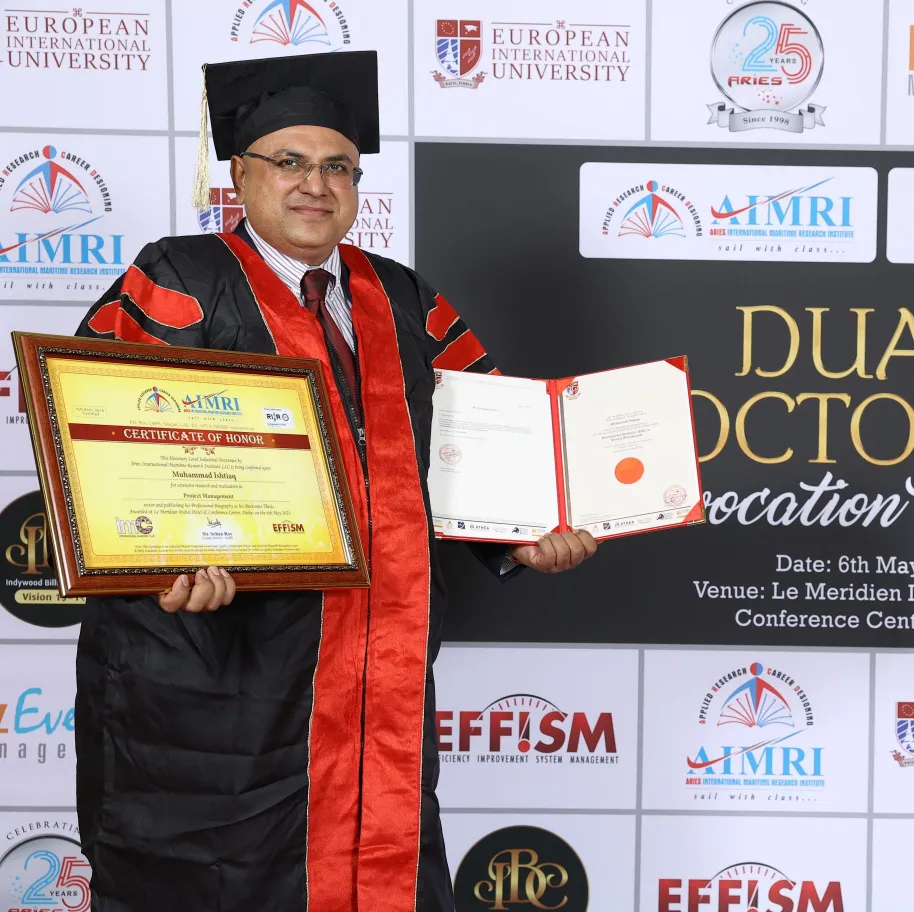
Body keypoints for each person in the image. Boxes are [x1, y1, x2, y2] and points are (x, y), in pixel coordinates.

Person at [72, 50, 597, 911]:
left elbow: (483, 444)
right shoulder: (179, 280)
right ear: (240, 175)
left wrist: (525, 534)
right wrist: (159, 560)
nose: (316, 185)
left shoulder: (406, 299)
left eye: (338, 167)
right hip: (214, 686)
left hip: (376, 684)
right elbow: (99, 441)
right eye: (290, 161)